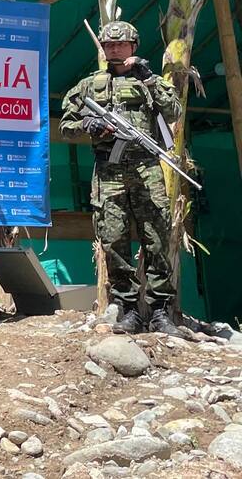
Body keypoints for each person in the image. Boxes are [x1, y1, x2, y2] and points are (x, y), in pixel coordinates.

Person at [60, 21, 182, 335]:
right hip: (108, 171)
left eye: (121, 44)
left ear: (133, 46)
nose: (115, 49)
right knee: (113, 240)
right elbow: (65, 126)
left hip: (147, 169)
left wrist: (150, 80)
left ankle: (159, 311)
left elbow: (173, 111)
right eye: (109, 45)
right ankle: (128, 309)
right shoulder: (89, 85)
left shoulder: (148, 81)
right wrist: (88, 127)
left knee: (156, 238)